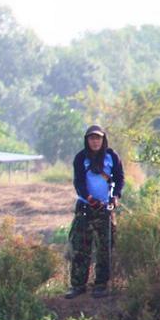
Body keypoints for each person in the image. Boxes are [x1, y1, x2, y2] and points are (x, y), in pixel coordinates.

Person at [66, 124, 124, 299]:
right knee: (80, 247)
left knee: (105, 247)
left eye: (98, 138)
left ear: (103, 139)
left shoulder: (111, 157)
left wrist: (116, 197)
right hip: (85, 207)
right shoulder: (80, 158)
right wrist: (89, 198)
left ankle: (101, 284)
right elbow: (79, 182)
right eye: (92, 138)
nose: (95, 141)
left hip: (105, 210)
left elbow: (119, 178)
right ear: (87, 140)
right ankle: (78, 285)